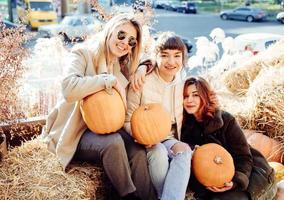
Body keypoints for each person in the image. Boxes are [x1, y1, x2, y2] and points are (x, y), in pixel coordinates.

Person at [42, 13, 157, 200]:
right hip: (77, 132)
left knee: (137, 150)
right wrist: (107, 80)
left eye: (131, 41)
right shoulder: (83, 53)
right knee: (114, 143)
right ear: (110, 30)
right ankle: (129, 197)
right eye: (121, 35)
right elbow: (68, 88)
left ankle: (148, 197)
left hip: (107, 128)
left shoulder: (122, 64)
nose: (125, 43)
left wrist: (144, 66)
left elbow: (151, 59)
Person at [181, 76, 277, 200]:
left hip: (251, 176)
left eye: (195, 95)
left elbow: (244, 157)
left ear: (204, 96)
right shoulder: (184, 129)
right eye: (185, 96)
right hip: (214, 183)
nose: (189, 100)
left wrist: (235, 181)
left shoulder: (225, 120)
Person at [125, 32, 192, 200]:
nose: (171, 62)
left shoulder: (180, 82)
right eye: (165, 55)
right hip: (143, 138)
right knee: (159, 152)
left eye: (177, 56)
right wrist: (140, 136)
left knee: (184, 151)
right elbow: (127, 119)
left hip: (168, 137)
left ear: (183, 58)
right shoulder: (142, 80)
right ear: (156, 57)